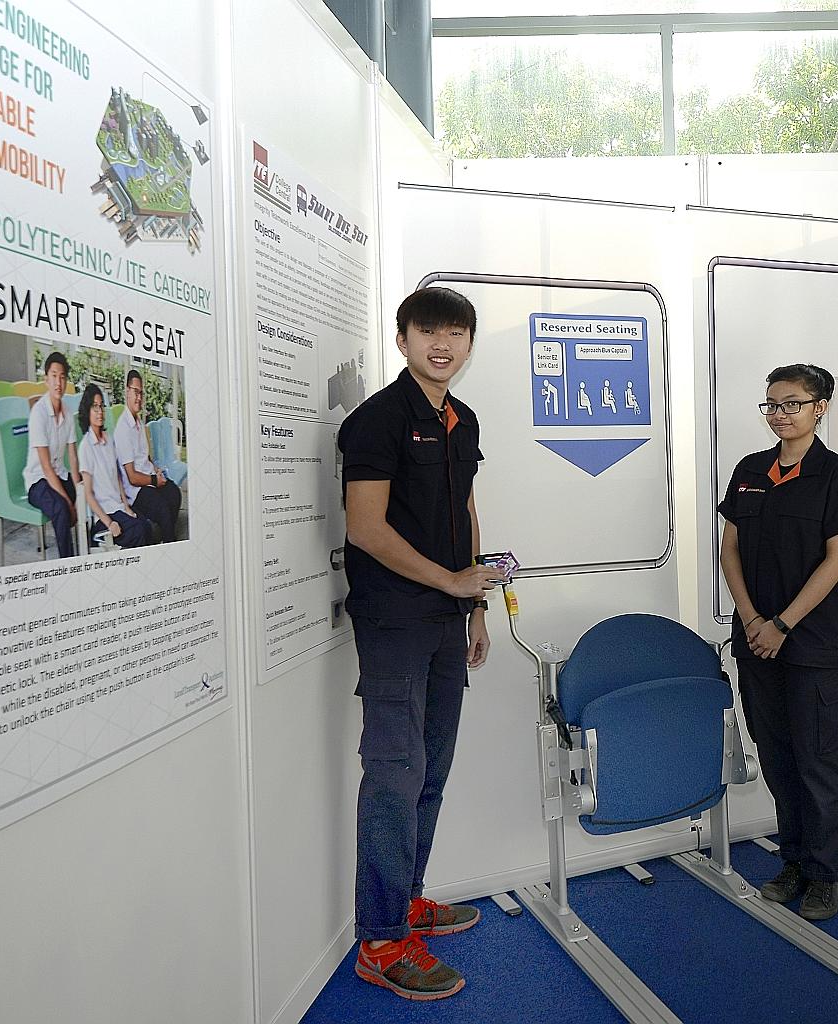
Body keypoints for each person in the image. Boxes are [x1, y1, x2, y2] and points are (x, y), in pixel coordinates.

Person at [338, 286, 503, 1002]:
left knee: (430, 769)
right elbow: (364, 528)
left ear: (468, 345)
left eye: (457, 332)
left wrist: (475, 604)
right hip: (395, 621)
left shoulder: (461, 420)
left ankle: (405, 904)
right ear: (402, 338)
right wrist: (452, 582)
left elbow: (464, 507)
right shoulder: (375, 421)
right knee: (395, 774)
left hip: (446, 616)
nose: (444, 343)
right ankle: (378, 940)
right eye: (428, 330)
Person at [717, 363, 838, 922]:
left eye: (792, 404)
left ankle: (827, 875)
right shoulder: (748, 471)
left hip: (810, 645)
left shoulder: (837, 476)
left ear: (819, 407)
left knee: (817, 762)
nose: (780, 414)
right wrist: (754, 618)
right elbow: (729, 548)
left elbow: (837, 560)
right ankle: (795, 862)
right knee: (778, 759)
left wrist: (781, 624)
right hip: (756, 641)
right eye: (772, 405)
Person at [75, 384, 151, 550]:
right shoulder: (85, 447)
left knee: (146, 525)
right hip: (104, 516)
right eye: (95, 407)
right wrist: (109, 523)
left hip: (118, 509)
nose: (100, 411)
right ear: (86, 411)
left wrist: (126, 506)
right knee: (139, 531)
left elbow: (117, 477)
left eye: (101, 405)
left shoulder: (108, 440)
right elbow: (88, 494)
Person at [114, 368, 183, 543]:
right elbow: (131, 477)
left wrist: (156, 470)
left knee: (174, 493)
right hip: (136, 491)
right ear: (126, 392)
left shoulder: (139, 422)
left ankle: (165, 536)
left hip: (149, 479)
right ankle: (168, 541)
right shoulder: (122, 429)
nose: (139, 397)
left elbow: (145, 457)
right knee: (162, 507)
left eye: (141, 393)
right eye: (135, 392)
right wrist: (154, 481)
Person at [23, 352, 80, 558]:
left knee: (86, 496)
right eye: (54, 376)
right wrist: (68, 501)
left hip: (58, 474)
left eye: (63, 376)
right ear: (46, 379)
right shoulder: (38, 414)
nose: (59, 382)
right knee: (61, 508)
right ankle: (68, 561)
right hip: (38, 480)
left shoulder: (67, 413)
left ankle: (90, 551)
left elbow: (73, 458)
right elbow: (46, 468)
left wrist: (78, 491)